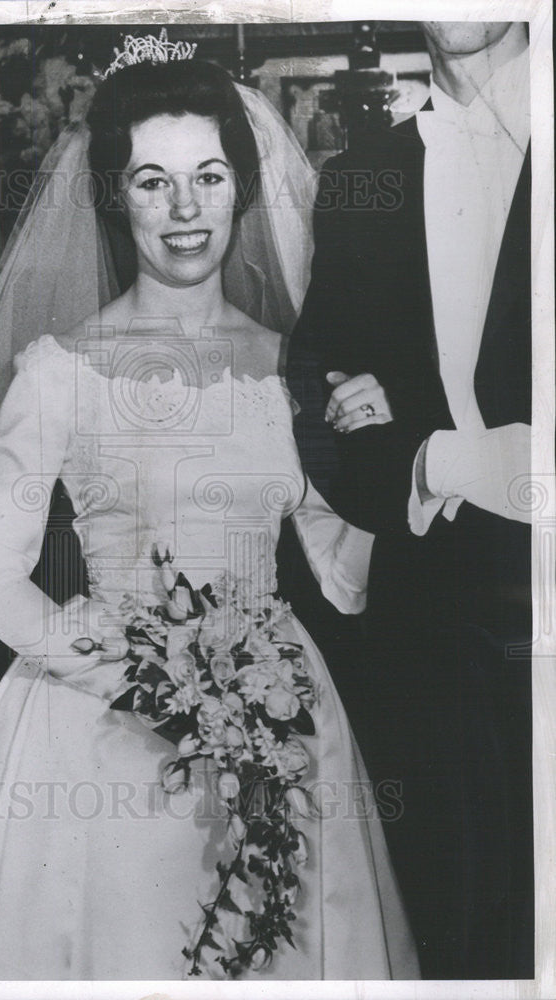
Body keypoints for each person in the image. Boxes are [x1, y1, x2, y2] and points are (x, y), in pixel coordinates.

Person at [0, 45, 419, 980]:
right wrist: (137, 678)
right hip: (95, 726)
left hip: (281, 723)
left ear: (240, 188)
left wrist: (387, 455)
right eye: (153, 182)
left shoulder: (292, 368)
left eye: (208, 177)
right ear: (116, 197)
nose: (185, 210)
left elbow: (345, 584)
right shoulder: (58, 370)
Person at [288, 21, 533, 980]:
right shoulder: (362, 177)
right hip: (438, 618)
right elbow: (314, 393)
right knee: (462, 925)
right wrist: (433, 463)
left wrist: (431, 451)